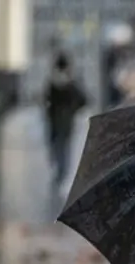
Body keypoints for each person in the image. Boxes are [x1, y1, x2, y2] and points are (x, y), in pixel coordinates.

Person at [44, 53, 87, 186]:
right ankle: (62, 171)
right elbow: (83, 100)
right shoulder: (71, 83)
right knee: (64, 146)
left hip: (55, 120)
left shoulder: (52, 81)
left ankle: (59, 169)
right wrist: (72, 109)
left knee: (56, 145)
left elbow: (47, 100)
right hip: (66, 120)